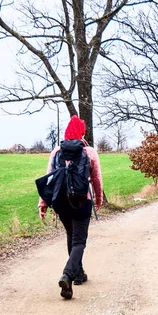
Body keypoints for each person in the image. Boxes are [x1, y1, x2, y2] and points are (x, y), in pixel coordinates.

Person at [38, 116, 103, 300]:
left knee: (71, 235)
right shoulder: (89, 151)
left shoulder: (56, 151)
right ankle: (68, 274)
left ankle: (79, 273)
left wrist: (43, 204)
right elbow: (96, 179)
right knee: (79, 240)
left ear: (67, 133)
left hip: (61, 201)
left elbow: (49, 179)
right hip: (83, 200)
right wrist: (98, 199)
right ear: (82, 133)